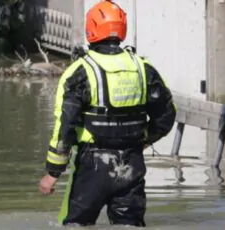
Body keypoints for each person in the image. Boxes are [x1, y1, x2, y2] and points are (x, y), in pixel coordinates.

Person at [39, 0, 176, 227]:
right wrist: (142, 140)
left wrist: (53, 173)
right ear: (122, 29)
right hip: (131, 164)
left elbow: (65, 127)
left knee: (75, 225)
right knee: (129, 224)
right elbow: (166, 117)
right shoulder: (143, 68)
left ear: (90, 30)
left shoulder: (80, 72)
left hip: (92, 165)